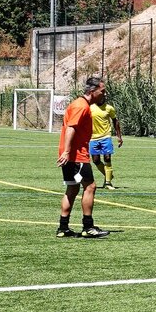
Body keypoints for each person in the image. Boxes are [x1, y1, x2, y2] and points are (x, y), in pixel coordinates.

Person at [56, 77, 109, 239]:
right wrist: (67, 152)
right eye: (102, 91)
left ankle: (63, 228)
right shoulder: (81, 106)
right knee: (90, 186)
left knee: (72, 189)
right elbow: (71, 128)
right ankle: (88, 227)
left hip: (71, 155)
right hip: (76, 155)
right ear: (92, 91)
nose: (104, 94)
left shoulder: (80, 104)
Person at [89, 95, 123, 190]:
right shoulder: (90, 107)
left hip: (106, 136)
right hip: (93, 137)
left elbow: (115, 121)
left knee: (107, 158)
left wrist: (119, 136)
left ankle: (108, 183)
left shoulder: (109, 108)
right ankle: (109, 175)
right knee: (96, 160)